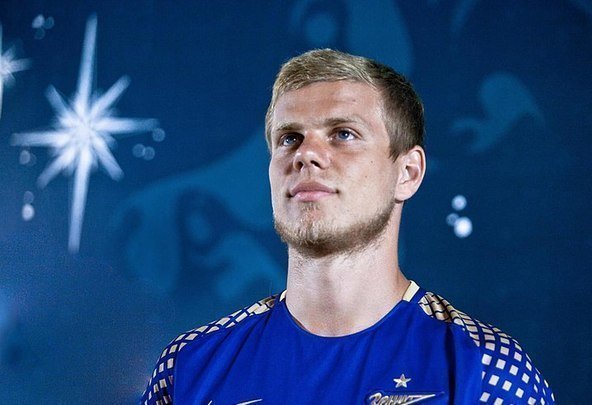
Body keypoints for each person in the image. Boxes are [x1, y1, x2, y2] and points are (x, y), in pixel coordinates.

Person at [141, 49, 554, 405]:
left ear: (408, 173)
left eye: (343, 134)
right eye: (289, 138)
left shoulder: (483, 369)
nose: (306, 155)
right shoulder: (190, 366)